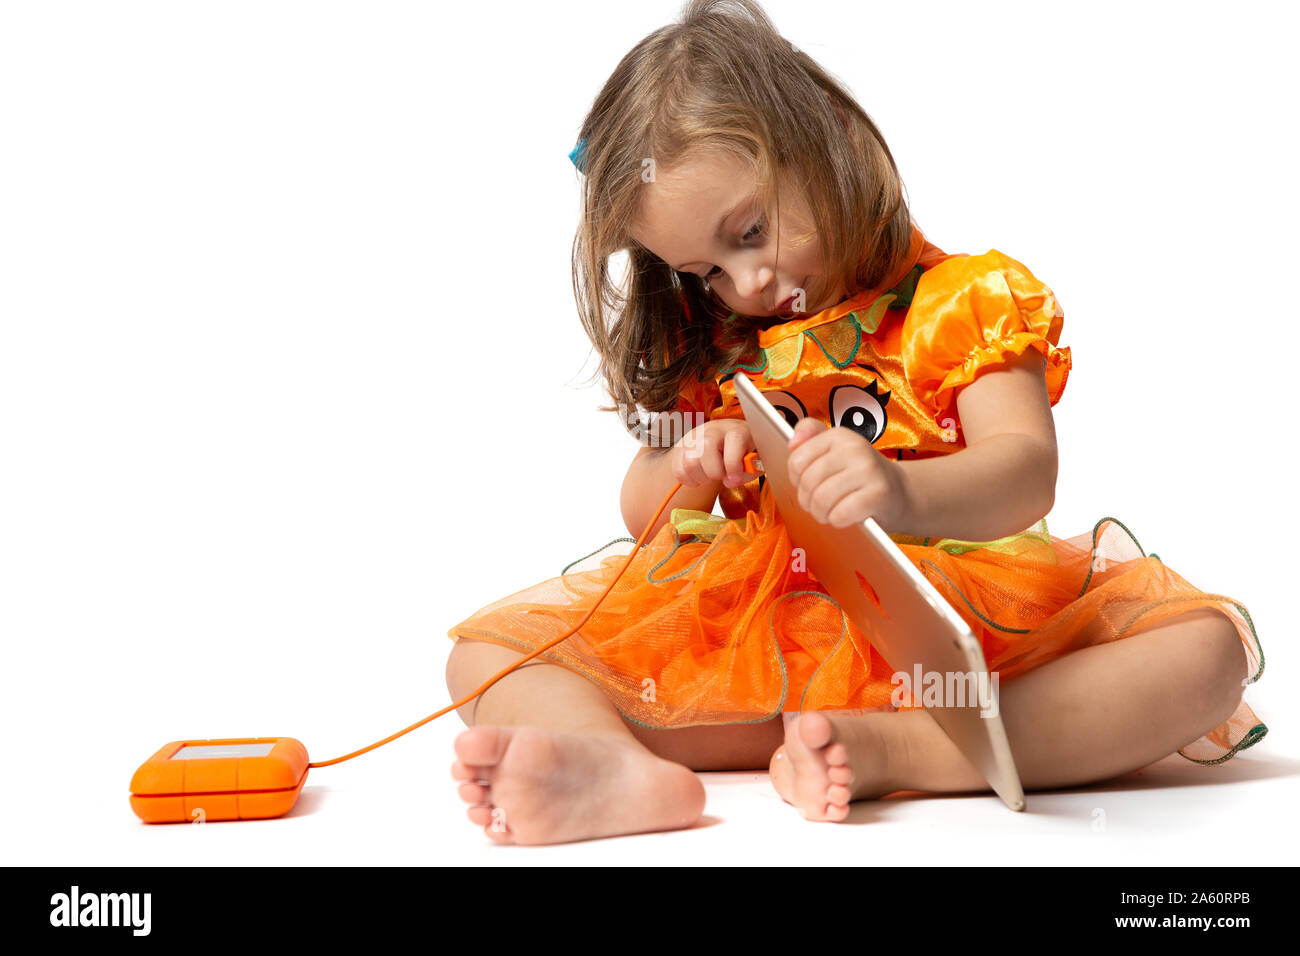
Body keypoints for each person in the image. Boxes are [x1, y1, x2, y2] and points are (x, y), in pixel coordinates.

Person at [443, 0, 1265, 846]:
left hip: (958, 651)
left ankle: (908, 750)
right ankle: (615, 769)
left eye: (750, 231)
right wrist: (687, 466)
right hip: (768, 649)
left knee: (1206, 655)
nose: (746, 282)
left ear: (827, 134)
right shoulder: (726, 343)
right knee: (485, 655)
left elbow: (1025, 470)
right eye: (706, 270)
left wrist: (901, 490)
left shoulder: (960, 302)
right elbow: (641, 516)